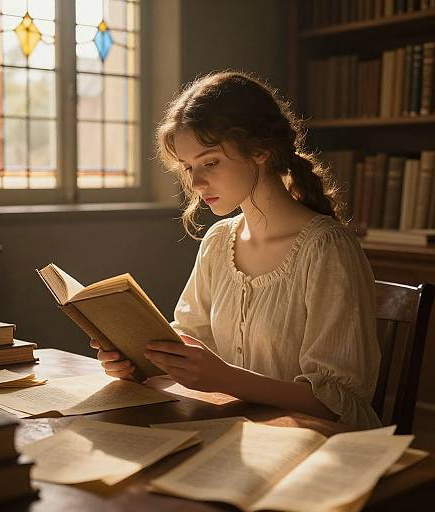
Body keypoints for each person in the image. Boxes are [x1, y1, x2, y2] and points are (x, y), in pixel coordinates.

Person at [91, 71, 381, 429]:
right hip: (235, 432)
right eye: (188, 167)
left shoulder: (326, 249)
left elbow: (340, 402)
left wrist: (227, 379)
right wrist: (138, 361)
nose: (196, 183)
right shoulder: (218, 241)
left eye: (210, 162)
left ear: (260, 149)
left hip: (319, 448)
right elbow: (191, 341)